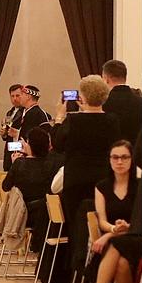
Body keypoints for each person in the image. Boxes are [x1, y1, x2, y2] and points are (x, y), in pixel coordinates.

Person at [52, 74, 122, 264]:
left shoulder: (73, 120)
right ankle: (98, 266)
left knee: (76, 227)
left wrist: (59, 117)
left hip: (76, 179)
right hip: (103, 180)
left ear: (81, 97)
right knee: (100, 224)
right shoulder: (112, 120)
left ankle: (77, 268)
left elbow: (57, 145)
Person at [87, 140, 140, 283]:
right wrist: (113, 229)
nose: (119, 161)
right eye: (115, 157)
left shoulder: (140, 186)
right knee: (121, 264)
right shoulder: (102, 187)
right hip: (114, 238)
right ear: (109, 160)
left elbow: (141, 221)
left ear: (131, 160)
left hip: (136, 236)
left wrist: (114, 233)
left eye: (124, 157)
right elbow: (102, 220)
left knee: (118, 246)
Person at [1, 127, 57, 207]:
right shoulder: (52, 164)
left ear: (30, 145)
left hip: (22, 210)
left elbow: (5, 186)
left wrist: (14, 164)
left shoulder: (19, 164)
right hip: (46, 208)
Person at [101, 59, 142, 144]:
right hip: (136, 150)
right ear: (125, 77)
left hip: (112, 150)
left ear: (106, 79)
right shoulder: (141, 102)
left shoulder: (103, 103)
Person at [0, 84, 25, 170]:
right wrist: (4, 134)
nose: (15, 99)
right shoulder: (10, 112)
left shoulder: (26, 112)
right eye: (12, 96)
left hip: (20, 148)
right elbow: (7, 133)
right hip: (9, 148)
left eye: (17, 95)